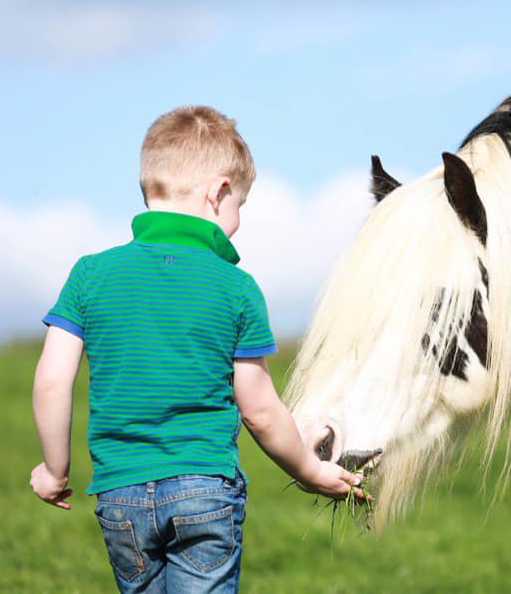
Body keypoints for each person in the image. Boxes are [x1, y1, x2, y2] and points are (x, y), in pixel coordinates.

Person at [29, 105, 364, 592]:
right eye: (239, 209)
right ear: (219, 192)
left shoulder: (89, 275)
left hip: (120, 496)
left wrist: (54, 470)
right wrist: (310, 470)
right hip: (204, 492)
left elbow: (52, 380)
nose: (237, 224)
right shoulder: (235, 287)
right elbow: (260, 411)